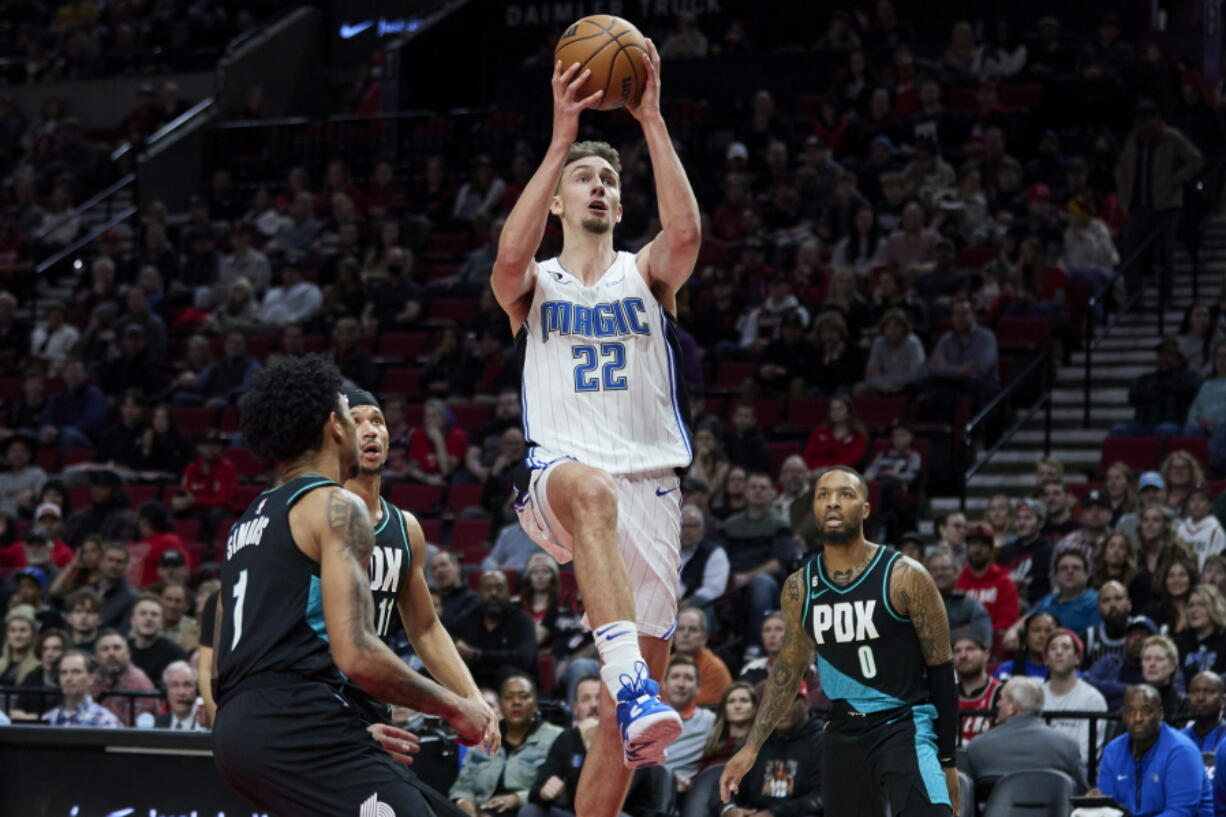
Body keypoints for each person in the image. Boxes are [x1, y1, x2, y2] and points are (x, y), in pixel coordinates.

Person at [492, 46, 700, 807]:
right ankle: (637, 682)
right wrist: (560, 140)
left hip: (651, 491)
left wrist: (649, 119)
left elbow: (686, 237)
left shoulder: (645, 274)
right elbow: (507, 256)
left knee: (621, 728)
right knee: (587, 488)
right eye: (586, 177)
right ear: (557, 200)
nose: (601, 186)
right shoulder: (536, 284)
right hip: (561, 477)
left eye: (609, 178)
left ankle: (631, 690)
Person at [211, 355, 494, 816]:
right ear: (334, 427)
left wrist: (344, 727)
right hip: (296, 717)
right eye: (350, 414)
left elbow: (232, 649)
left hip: (246, 725)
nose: (364, 427)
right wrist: (454, 706)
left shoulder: (251, 518)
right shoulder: (336, 506)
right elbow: (357, 652)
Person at [721, 466, 961, 816]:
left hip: (904, 724)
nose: (833, 503)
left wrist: (948, 761)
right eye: (823, 495)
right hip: (842, 730)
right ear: (814, 509)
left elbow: (942, 669)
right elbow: (789, 669)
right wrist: (752, 746)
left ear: (865, 509)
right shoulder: (799, 587)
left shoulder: (905, 576)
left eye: (845, 494)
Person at [341, 388, 497, 737]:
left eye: (378, 421)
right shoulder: (318, 515)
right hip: (321, 699)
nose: (370, 431)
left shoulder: (405, 527)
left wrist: (472, 696)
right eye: (356, 423)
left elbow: (425, 628)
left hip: (371, 701)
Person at [1088, 685, 1211, 817]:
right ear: (1123, 716)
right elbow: (1108, 808)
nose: (1138, 718)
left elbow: (1180, 813)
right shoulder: (1113, 751)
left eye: (1146, 711)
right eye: (1131, 712)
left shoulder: (1181, 751)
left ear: (1160, 714)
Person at [450, 674, 563, 817]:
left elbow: (555, 790)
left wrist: (517, 799)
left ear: (535, 704)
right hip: (482, 811)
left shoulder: (555, 737)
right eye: (509, 697)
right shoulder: (484, 737)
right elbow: (462, 788)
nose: (516, 702)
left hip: (526, 811)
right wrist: (469, 811)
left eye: (524, 696)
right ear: (500, 705)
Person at [964, 677, 1088, 796]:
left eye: (1001, 698)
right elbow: (1082, 796)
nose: (997, 704)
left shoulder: (977, 747)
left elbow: (961, 797)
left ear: (1012, 708)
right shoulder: (1067, 746)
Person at [719, 680, 823, 817]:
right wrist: (730, 809)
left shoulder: (822, 741)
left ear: (806, 704)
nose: (779, 710)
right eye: (773, 703)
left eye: (787, 702)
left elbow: (824, 796)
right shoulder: (754, 742)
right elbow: (726, 785)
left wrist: (774, 814)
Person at [721, 472, 795, 652]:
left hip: (769, 582)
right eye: (753, 487)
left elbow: (780, 561)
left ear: (772, 493)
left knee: (760, 583)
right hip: (732, 578)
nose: (758, 491)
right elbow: (721, 556)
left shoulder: (780, 524)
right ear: (746, 491)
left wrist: (747, 577)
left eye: (763, 488)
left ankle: (756, 647)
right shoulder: (730, 525)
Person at [450, 569, 538, 691]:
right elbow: (446, 634)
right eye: (487, 588)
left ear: (508, 592)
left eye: (499, 588)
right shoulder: (468, 618)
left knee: (508, 674)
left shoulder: (522, 620)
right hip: (473, 682)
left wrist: (478, 656)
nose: (493, 593)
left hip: (508, 683)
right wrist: (456, 643)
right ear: (479, 593)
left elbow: (524, 659)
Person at [1042, 628, 1109, 766]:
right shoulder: (1036, 696)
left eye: (1066, 647)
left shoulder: (1093, 699)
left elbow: (1084, 755)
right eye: (1053, 648)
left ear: (1077, 658)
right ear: (1046, 659)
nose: (1059, 652)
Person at [956, 522, 1021, 652]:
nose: (978, 549)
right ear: (967, 548)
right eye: (973, 543)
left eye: (983, 544)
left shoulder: (1005, 582)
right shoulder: (957, 580)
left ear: (991, 549)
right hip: (958, 643)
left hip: (993, 646)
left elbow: (1007, 621)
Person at [660, 655, 717, 788]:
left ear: (698, 688)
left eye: (688, 678)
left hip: (682, 790)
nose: (681, 684)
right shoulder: (645, 717)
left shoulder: (710, 721)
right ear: (664, 685)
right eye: (675, 677)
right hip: (645, 781)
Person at [1087, 615, 1160, 710]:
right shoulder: (1110, 662)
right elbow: (1086, 682)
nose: (1137, 638)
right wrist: (1127, 690)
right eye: (1132, 634)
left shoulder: (1161, 667)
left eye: (1144, 634)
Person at [927, 549, 993, 649]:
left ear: (956, 572)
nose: (939, 573)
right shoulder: (917, 606)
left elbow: (985, 644)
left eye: (944, 568)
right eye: (934, 569)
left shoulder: (971, 606)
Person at [92, 629, 158, 726]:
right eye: (105, 649)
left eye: (117, 648)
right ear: (96, 657)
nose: (111, 653)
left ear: (128, 653)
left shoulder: (138, 682)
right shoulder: (90, 680)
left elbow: (133, 731)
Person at [43, 650, 122, 728]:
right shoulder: (49, 719)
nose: (68, 678)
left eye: (76, 672)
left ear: (91, 678)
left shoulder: (106, 721)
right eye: (63, 673)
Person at [671, 607, 733, 706]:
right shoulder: (666, 662)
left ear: (704, 637)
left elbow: (703, 708)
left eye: (693, 629)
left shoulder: (714, 669)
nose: (685, 634)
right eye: (680, 629)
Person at [1033, 550, 1101, 634]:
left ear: (1087, 575)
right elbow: (1029, 618)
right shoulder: (1048, 600)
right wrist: (1013, 631)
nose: (1070, 571)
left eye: (1076, 568)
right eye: (1064, 568)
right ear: (1056, 576)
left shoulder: (1097, 601)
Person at [954, 630, 1002, 743]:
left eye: (970, 649)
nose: (963, 655)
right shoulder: (945, 695)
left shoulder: (1001, 693)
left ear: (986, 655)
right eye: (957, 651)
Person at [128, 593, 187, 685]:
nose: (149, 618)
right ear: (132, 620)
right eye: (143, 613)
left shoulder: (174, 653)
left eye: (154, 614)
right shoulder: (123, 651)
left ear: (162, 622)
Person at [1083, 580, 1133, 666]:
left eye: (1118, 598)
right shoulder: (1089, 637)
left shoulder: (1142, 631)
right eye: (1106, 600)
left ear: (1129, 604)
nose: (1113, 604)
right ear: (1098, 608)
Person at [994, 611, 1057, 680]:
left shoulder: (1064, 671)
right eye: (1036, 630)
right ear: (1026, 636)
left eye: (1048, 631)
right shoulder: (1008, 669)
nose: (1042, 636)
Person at [145, 660, 205, 731]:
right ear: (166, 690)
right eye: (174, 685)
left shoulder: (205, 724)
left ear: (196, 689)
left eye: (187, 685)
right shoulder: (156, 724)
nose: (181, 692)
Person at [1181, 671, 1226, 753]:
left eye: (1209, 691)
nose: (1200, 698)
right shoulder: (1178, 739)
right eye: (1195, 691)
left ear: (1223, 701)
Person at [432, 549, 478, 628]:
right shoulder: (432, 600)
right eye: (434, 568)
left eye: (444, 565)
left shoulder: (473, 599)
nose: (439, 571)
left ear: (457, 567)